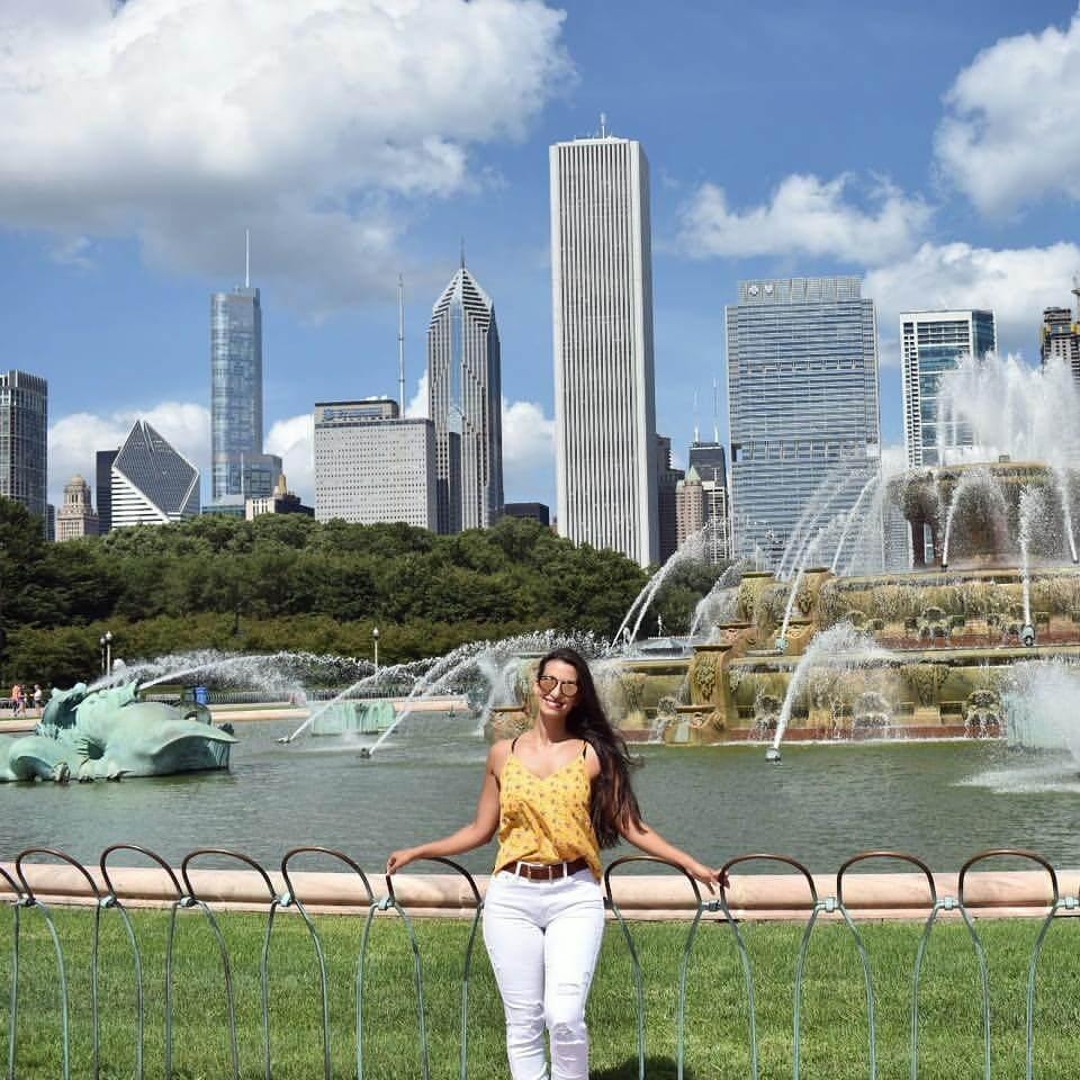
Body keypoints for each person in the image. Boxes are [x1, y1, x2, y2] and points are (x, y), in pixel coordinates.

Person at [387, 645, 722, 1080]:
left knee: (565, 1015)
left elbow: (632, 826)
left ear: (579, 695)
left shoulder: (592, 754)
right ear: (536, 684)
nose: (556, 692)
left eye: (568, 685)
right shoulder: (502, 754)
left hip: (574, 894)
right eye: (549, 681)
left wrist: (691, 863)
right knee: (523, 1020)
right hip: (512, 896)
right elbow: (480, 830)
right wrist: (419, 850)